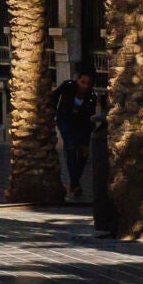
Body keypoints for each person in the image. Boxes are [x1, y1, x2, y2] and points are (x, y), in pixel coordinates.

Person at [54, 63, 99, 199]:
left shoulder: (91, 96)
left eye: (88, 83)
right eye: (82, 82)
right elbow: (53, 98)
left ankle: (74, 183)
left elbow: (89, 117)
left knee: (84, 154)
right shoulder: (67, 87)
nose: (84, 86)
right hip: (65, 121)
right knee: (71, 147)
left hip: (82, 125)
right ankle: (75, 184)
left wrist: (85, 137)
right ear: (77, 79)